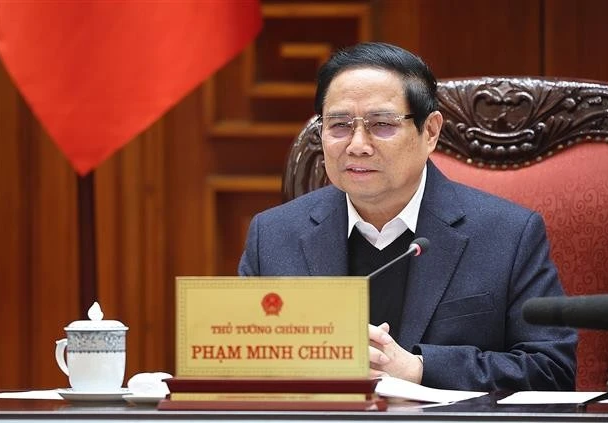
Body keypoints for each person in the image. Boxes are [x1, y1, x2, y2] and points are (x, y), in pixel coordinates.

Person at [238, 42, 577, 392]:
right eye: (338, 125)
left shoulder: (508, 234)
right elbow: (240, 368)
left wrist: (418, 368)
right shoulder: (273, 234)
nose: (357, 145)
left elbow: (551, 371)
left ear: (429, 131)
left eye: (381, 124)